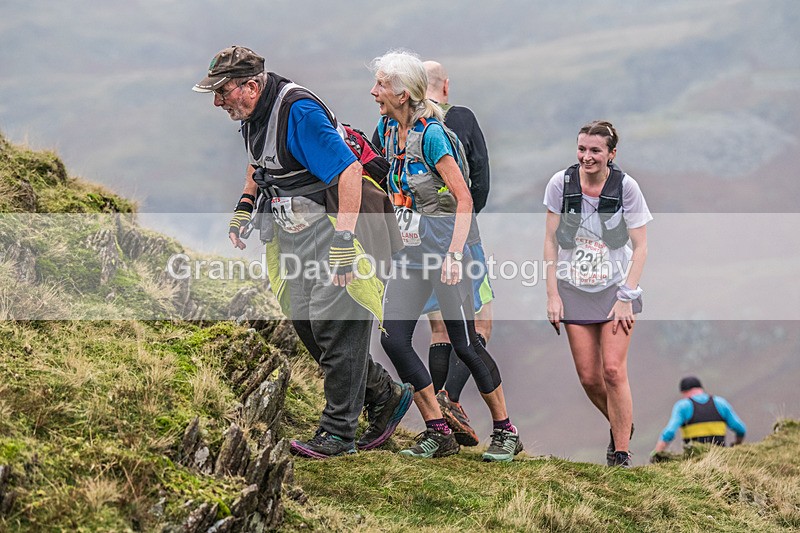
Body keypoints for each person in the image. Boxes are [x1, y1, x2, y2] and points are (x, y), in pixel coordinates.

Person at [193, 45, 412, 459]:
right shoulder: (253, 114)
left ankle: (338, 434)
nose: (218, 102)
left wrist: (346, 243)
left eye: (222, 92)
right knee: (305, 322)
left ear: (251, 85)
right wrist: (244, 205)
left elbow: (347, 170)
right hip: (292, 232)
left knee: (336, 325)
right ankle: (383, 395)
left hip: (336, 228)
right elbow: (258, 163)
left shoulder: (299, 112)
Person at [370, 49, 522, 462]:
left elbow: (464, 198)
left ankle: (506, 431)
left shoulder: (433, 134)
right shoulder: (385, 128)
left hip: (447, 253)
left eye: (381, 85)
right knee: (394, 339)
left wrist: (455, 254)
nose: (374, 92)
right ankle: (438, 429)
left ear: (403, 93)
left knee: (466, 343)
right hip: (411, 255)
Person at [543, 120, 652, 467]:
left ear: (611, 154)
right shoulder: (560, 185)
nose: (586, 157)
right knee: (590, 378)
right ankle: (622, 422)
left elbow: (642, 246)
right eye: (581, 149)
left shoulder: (626, 188)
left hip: (615, 289)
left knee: (613, 371)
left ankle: (620, 452)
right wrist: (552, 296)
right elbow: (549, 240)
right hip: (573, 288)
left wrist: (626, 295)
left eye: (595, 151)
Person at [420, 60, 494, 448]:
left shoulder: (405, 126)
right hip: (462, 235)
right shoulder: (460, 118)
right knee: (480, 324)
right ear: (444, 86)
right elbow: (479, 178)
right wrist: (469, 217)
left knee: (438, 328)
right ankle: (449, 398)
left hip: (420, 237)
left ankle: (437, 421)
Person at [650, 376, 746, 461]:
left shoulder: (683, 406)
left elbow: (669, 432)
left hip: (694, 460)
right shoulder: (720, 403)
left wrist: (656, 453)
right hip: (721, 459)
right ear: (701, 389)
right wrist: (737, 445)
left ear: (684, 392)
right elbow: (740, 429)